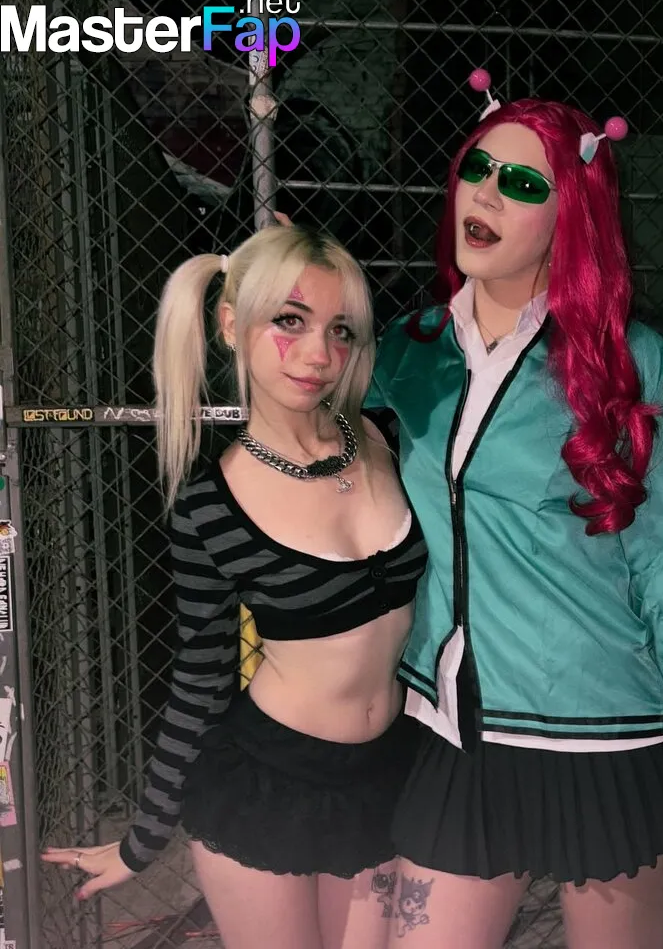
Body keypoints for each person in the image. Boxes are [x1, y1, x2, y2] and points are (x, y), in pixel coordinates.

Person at [365, 92, 663, 949]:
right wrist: (293, 287)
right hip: (456, 723)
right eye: (476, 168)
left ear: (570, 216)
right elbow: (305, 395)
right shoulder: (410, 344)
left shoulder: (632, 360)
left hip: (602, 728)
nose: (485, 192)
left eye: (521, 183)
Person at [42, 223, 428, 949]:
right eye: (289, 320)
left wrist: (306, 260)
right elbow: (200, 676)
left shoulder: (385, 437)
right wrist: (143, 838)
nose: (318, 354)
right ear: (230, 324)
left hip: (389, 771)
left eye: (340, 329)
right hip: (266, 782)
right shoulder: (209, 506)